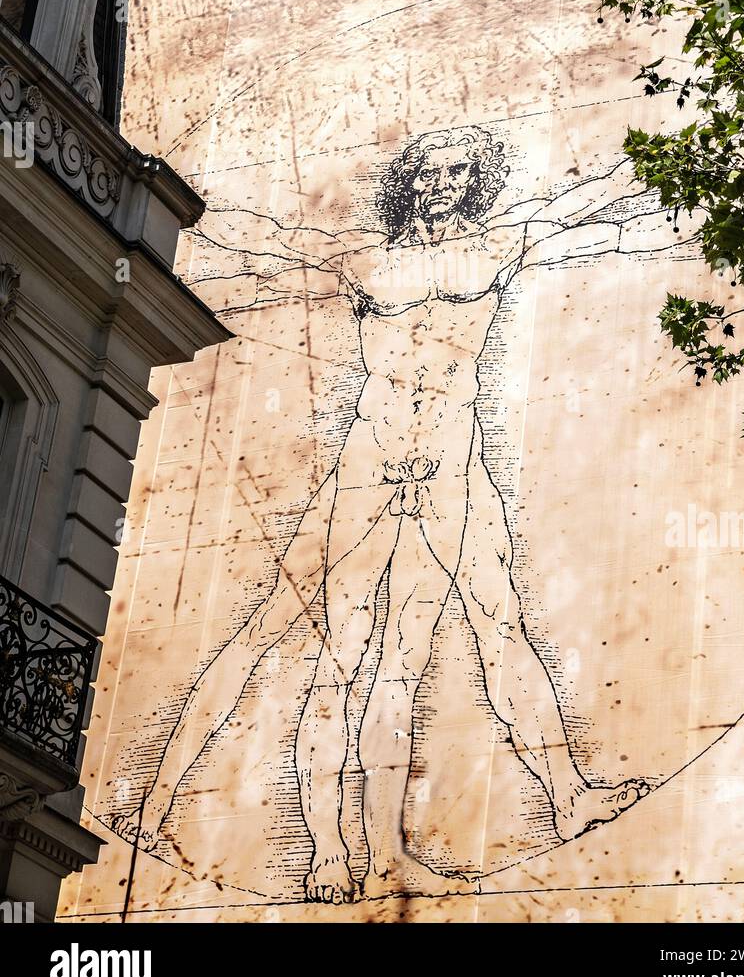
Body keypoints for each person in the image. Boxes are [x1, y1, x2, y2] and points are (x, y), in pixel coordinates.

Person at [112, 127, 663, 902]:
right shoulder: (366, 258)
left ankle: (560, 797)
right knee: (301, 643)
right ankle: (220, 821)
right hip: (368, 467)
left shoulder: (501, 242)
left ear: (477, 179)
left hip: (453, 468)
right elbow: (265, 246)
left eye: (458, 170)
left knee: (490, 627)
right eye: (429, 171)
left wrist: (663, 167)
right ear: (410, 179)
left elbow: (585, 208)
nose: (442, 183)